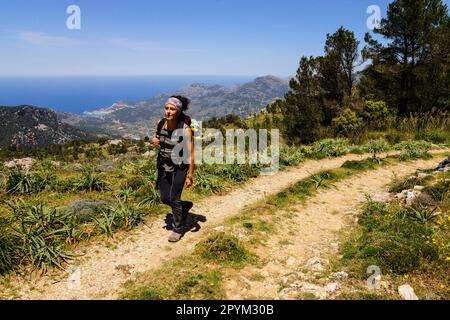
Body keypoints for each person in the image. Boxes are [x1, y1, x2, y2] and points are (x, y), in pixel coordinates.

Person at [152, 96, 195, 242]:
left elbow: (191, 154)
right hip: (164, 165)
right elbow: (158, 137)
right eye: (167, 108)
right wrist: (155, 141)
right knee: (165, 198)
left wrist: (190, 175)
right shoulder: (161, 123)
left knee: (174, 198)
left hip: (179, 167)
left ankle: (178, 229)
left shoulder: (185, 130)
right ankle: (184, 207)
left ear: (178, 111)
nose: (168, 111)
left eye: (172, 109)